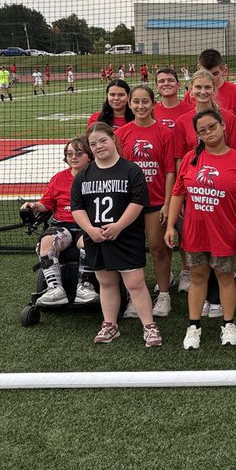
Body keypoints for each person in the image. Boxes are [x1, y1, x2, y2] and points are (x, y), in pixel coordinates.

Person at [165, 107, 236, 349]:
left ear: (223, 126)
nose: (208, 133)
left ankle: (228, 323)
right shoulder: (190, 158)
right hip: (195, 231)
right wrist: (171, 226)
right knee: (197, 277)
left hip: (225, 232)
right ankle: (194, 326)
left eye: (212, 127)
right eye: (202, 130)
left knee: (225, 277)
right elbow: (178, 193)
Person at [71, 122, 161, 347]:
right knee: (106, 282)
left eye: (103, 140)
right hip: (97, 238)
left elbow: (138, 202)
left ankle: (149, 326)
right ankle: (110, 324)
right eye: (93, 144)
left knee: (135, 283)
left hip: (126, 236)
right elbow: (77, 207)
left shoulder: (131, 170)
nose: (99, 146)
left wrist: (119, 226)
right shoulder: (83, 176)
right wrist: (90, 230)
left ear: (114, 139)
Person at [116, 85, 175, 318]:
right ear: (129, 104)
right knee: (132, 250)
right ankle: (135, 296)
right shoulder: (122, 134)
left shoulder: (164, 133)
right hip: (130, 202)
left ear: (153, 104)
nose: (140, 106)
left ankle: (164, 294)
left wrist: (167, 203)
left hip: (156, 200)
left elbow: (169, 171)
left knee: (158, 248)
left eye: (145, 102)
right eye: (136, 102)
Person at [22, 137, 99, 307]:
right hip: (63, 225)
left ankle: (85, 286)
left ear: (89, 156)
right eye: (69, 154)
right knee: (46, 242)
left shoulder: (98, 176)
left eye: (79, 153)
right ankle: (55, 289)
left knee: (89, 241)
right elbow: (47, 203)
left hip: (88, 225)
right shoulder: (59, 178)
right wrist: (34, 205)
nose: (73, 157)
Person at [196, 48, 236, 125]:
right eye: (205, 73)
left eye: (215, 74)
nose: (210, 79)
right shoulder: (192, 94)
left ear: (223, 69)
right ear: (198, 68)